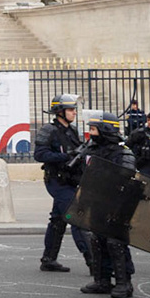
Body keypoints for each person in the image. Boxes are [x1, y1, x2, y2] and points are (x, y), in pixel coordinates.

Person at [73, 112, 140, 298]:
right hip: (97, 201)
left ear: (106, 130)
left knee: (115, 242)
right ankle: (102, 280)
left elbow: (127, 177)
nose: (91, 134)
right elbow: (81, 174)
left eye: (94, 130)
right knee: (97, 239)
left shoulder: (123, 152)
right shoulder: (90, 150)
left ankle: (123, 282)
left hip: (118, 205)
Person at [33, 93, 91, 273]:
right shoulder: (48, 130)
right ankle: (94, 262)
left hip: (71, 180)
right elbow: (39, 155)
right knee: (76, 218)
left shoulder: (72, 130)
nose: (74, 113)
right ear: (60, 111)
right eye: (71, 109)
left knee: (58, 220)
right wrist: (65, 156)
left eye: (74, 109)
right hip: (57, 181)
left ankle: (48, 259)